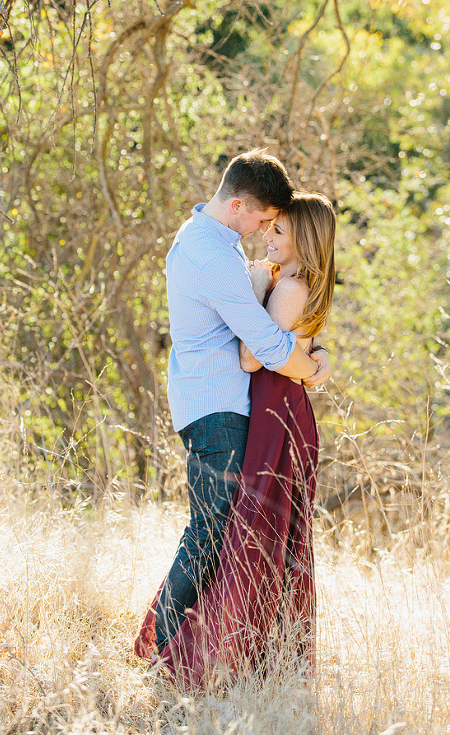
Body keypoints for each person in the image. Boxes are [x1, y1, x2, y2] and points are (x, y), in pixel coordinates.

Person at [134, 152, 330, 665]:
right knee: (210, 531)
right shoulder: (212, 257)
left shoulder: (211, 245)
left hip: (217, 404)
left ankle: (194, 652)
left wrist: (314, 346)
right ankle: (164, 649)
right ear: (239, 204)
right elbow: (263, 345)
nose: (266, 229)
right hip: (217, 407)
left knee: (220, 531)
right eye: (265, 219)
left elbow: (279, 325)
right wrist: (313, 369)